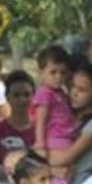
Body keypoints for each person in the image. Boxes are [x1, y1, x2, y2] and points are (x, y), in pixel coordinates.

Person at [31, 45, 78, 177]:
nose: (58, 76)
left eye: (62, 72)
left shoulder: (61, 93)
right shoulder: (45, 93)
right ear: (41, 72)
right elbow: (41, 121)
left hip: (67, 140)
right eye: (53, 72)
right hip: (54, 142)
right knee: (60, 175)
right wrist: (40, 145)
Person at [0, 71, 36, 166]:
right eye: (16, 95)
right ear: (7, 97)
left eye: (27, 95)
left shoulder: (42, 129)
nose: (22, 100)